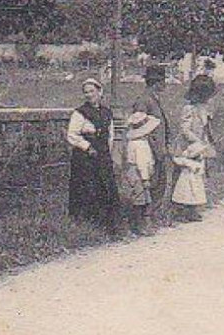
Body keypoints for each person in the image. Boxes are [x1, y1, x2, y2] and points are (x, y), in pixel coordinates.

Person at [65, 78, 119, 230]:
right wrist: (87, 147)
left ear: (99, 92)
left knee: (105, 186)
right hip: (85, 157)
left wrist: (108, 152)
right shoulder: (80, 113)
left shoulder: (107, 112)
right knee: (86, 187)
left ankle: (107, 223)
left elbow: (110, 135)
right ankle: (85, 221)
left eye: (92, 91)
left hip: (102, 154)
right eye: (86, 92)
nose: (89, 95)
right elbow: (72, 135)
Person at [170, 73, 217, 219]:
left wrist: (208, 141)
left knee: (197, 175)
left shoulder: (204, 108)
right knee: (186, 176)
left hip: (200, 145)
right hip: (189, 146)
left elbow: (206, 128)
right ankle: (180, 207)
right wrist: (198, 142)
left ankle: (193, 206)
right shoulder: (189, 109)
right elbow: (185, 130)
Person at [132, 64, 172, 228]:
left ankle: (153, 215)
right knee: (150, 184)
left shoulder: (154, 98)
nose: (165, 84)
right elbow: (139, 127)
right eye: (163, 81)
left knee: (159, 182)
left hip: (159, 148)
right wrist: (155, 149)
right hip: (149, 151)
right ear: (156, 82)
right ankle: (145, 218)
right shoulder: (144, 101)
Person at [119, 106, 161, 235]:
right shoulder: (141, 145)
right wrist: (145, 179)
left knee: (136, 198)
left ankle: (136, 224)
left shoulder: (132, 142)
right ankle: (140, 225)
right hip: (139, 174)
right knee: (142, 200)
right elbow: (142, 163)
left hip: (131, 172)